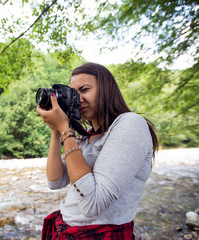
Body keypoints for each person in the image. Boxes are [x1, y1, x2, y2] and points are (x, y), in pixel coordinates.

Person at [36, 62, 158, 240]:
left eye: (84, 90)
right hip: (66, 229)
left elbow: (93, 204)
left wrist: (65, 130)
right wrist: (56, 130)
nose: (79, 99)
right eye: (74, 94)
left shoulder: (130, 123)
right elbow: (55, 181)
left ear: (107, 90)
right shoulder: (87, 138)